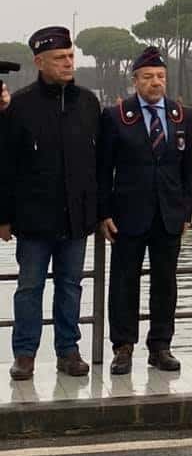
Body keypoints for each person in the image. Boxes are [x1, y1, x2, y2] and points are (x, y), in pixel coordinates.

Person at [0, 26, 100, 380]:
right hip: (33, 220)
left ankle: (68, 351)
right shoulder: (20, 107)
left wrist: (99, 212)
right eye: (60, 58)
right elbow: (6, 166)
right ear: (39, 61)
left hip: (76, 219)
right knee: (29, 288)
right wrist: (4, 217)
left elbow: (98, 164)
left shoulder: (88, 103)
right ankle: (25, 354)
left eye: (71, 56)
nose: (68, 62)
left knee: (71, 286)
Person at [98, 46, 192, 375]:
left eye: (161, 77)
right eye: (149, 77)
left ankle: (161, 346)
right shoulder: (116, 116)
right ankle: (123, 347)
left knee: (165, 282)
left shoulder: (182, 115)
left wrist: (186, 212)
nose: (156, 83)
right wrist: (104, 211)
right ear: (135, 80)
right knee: (124, 281)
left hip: (168, 215)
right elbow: (103, 170)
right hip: (127, 215)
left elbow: (188, 171)